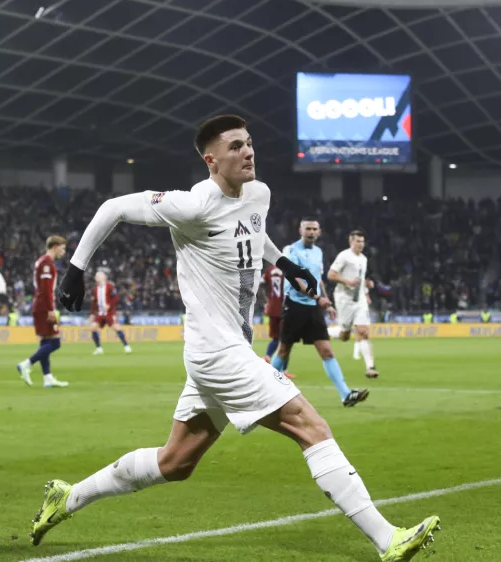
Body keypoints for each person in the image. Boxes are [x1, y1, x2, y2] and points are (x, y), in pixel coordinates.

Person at [27, 115, 440, 561]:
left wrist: (286, 264)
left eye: (250, 144)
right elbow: (113, 207)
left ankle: (67, 498)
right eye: (237, 146)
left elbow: (252, 233)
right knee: (311, 426)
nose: (248, 152)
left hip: (227, 348)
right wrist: (77, 268)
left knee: (175, 462)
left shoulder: (258, 193)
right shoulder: (192, 205)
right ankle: (387, 539)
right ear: (212, 160)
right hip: (216, 351)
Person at [272, 219, 369, 407]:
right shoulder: (290, 250)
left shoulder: (318, 252)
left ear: (319, 232)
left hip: (314, 307)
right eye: (307, 228)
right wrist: (318, 298)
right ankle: (261, 388)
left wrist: (326, 302)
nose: (310, 232)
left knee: (326, 351)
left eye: (314, 229)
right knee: (284, 351)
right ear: (300, 230)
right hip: (294, 306)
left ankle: (346, 395)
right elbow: (295, 280)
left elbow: (318, 279)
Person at [16, 236, 70, 388]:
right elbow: (46, 290)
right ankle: (26, 364)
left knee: (46, 342)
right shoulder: (47, 264)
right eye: (63, 248)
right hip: (43, 306)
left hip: (39, 305)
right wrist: (51, 309)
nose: (63, 251)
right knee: (56, 342)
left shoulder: (42, 261)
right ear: (54, 246)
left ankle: (48, 378)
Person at [328, 230, 379, 378]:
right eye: (357, 241)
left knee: (363, 331)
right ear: (351, 242)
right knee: (344, 335)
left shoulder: (363, 258)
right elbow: (331, 274)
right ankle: (327, 332)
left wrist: (366, 286)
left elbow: (360, 279)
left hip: (359, 299)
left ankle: (370, 367)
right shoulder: (344, 256)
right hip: (344, 298)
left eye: (362, 241)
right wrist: (348, 282)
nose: (360, 244)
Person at [89, 271, 132, 355]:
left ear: (104, 277)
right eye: (96, 276)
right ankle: (99, 348)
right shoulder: (95, 289)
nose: (96, 277)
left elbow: (116, 298)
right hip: (100, 313)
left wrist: (109, 305)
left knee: (116, 328)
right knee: (93, 328)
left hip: (110, 313)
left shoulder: (110, 286)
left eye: (98, 276)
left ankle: (126, 346)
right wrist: (91, 313)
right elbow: (94, 302)